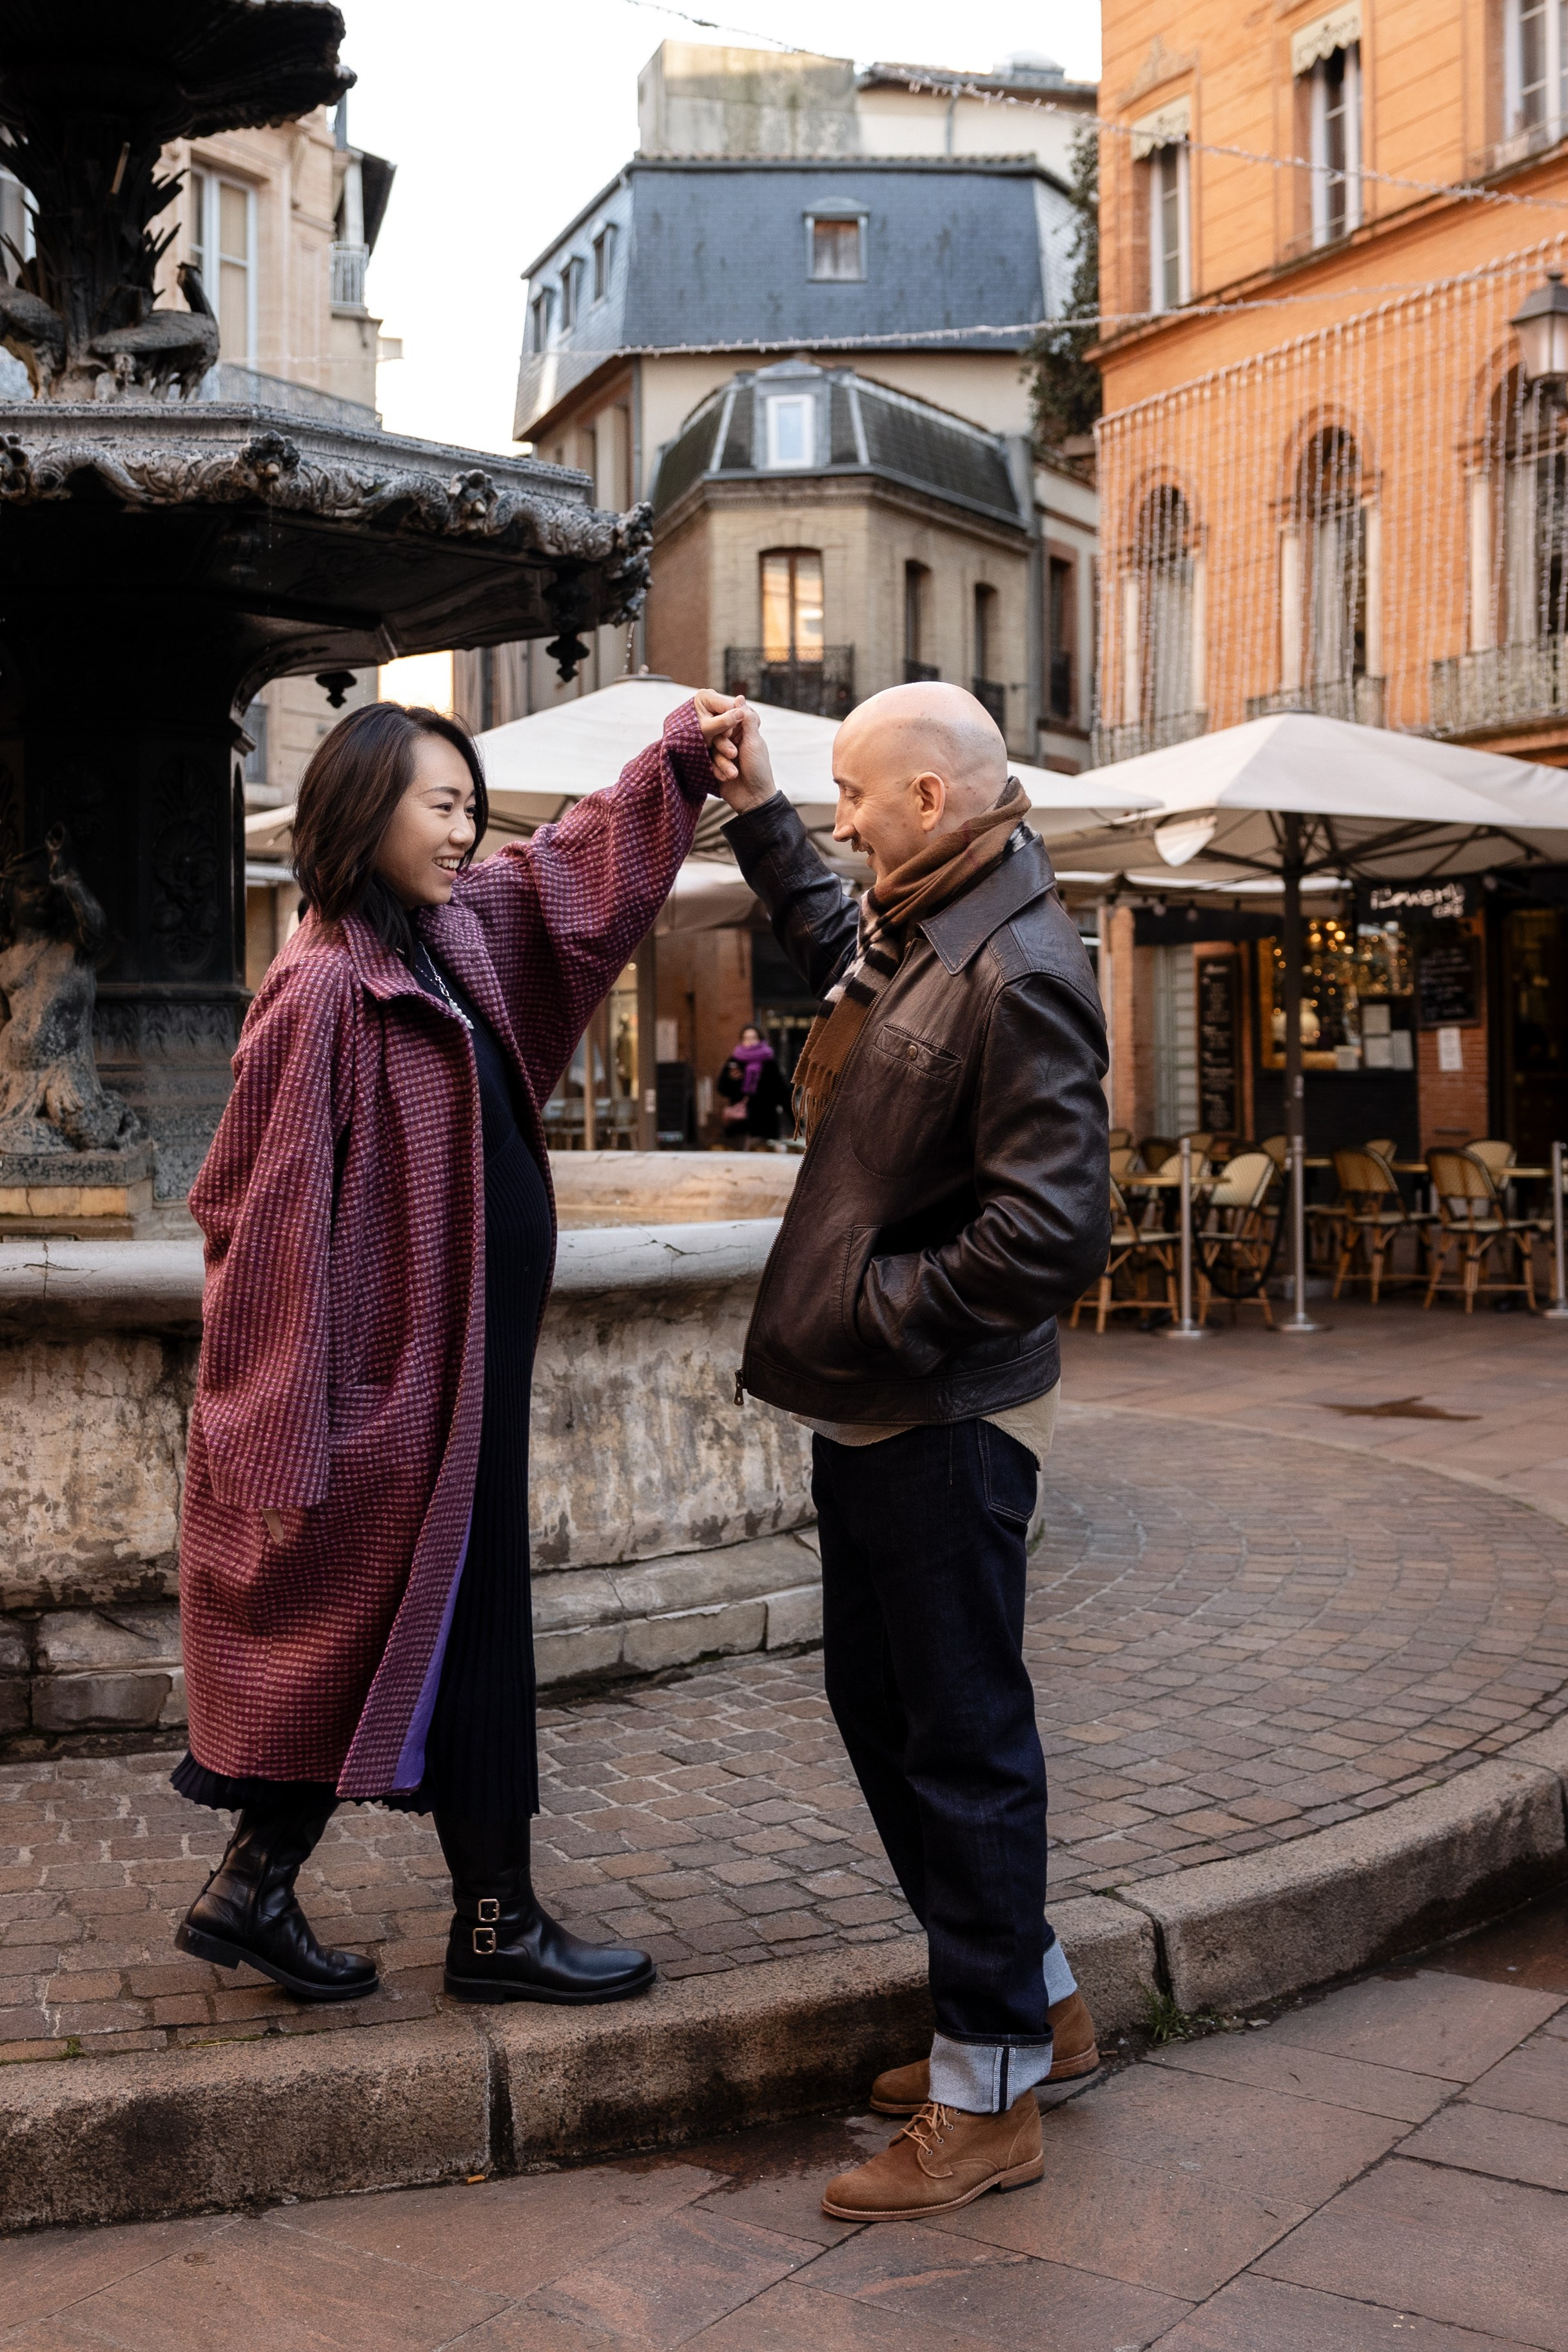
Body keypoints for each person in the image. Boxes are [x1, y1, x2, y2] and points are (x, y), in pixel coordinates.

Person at [172, 694, 730, 2008]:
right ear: (363, 812)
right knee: (458, 1628)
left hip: (455, 1371)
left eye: (472, 806)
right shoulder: (324, 985)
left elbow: (560, 879)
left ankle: (258, 1885)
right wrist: (275, 1431)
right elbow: (261, 1217)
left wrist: (673, 765)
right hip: (397, 1383)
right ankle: (494, 1923)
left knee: (408, 1626)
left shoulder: (438, 942)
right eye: (441, 805)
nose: (465, 830)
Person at [701, 679, 1110, 2222]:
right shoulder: (928, 922)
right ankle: (1036, 2004)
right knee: (884, 1708)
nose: (841, 820)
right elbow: (833, 938)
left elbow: (1055, 1226)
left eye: (850, 795)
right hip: (887, 1404)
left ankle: (988, 2097)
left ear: (927, 800)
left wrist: (873, 1307)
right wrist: (753, 811)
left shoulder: (1021, 961)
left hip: (942, 1408)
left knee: (963, 1739)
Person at [715, 1023, 789, 1146]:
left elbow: (781, 1092)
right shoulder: (734, 1062)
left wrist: (795, 1118)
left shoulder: (769, 1062)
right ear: (742, 1041)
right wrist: (732, 1080)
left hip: (765, 1119)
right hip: (740, 1121)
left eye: (754, 1038)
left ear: (760, 1040)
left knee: (763, 1153)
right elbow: (722, 1089)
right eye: (747, 1038)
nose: (750, 1041)